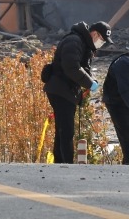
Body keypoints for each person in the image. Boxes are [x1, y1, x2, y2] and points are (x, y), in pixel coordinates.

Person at [42, 21, 110, 164]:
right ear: (95, 33)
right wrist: (90, 83)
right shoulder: (74, 41)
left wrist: (91, 80)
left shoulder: (82, 43)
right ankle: (66, 165)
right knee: (66, 130)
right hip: (61, 90)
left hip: (65, 90)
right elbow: (71, 67)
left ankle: (60, 162)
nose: (101, 43)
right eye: (102, 40)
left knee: (62, 129)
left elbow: (82, 68)